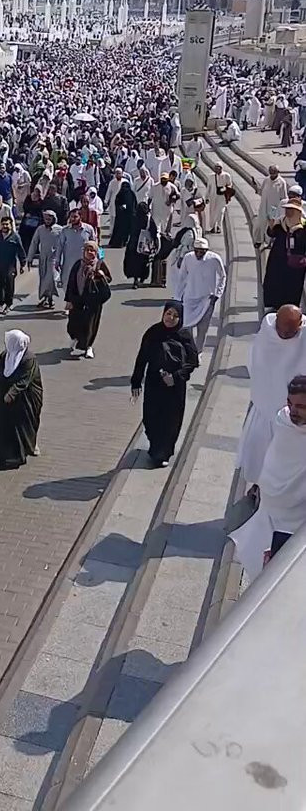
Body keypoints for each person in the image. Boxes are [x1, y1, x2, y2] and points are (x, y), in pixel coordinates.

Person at [231, 376, 306, 582]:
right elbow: (276, 460)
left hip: (297, 522)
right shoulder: (283, 420)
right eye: (290, 403)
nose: (293, 411)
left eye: (301, 406)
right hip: (270, 510)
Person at [237, 305, 306, 495]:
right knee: (258, 453)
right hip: (264, 408)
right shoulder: (268, 328)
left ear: (300, 325)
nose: (283, 335)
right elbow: (255, 360)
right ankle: (258, 487)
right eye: (281, 329)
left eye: (290, 332)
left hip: (292, 415)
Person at [130, 301, 199, 467]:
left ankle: (163, 453)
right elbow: (142, 357)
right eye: (168, 313)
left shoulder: (184, 335)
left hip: (174, 387)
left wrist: (176, 376)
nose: (170, 318)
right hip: (154, 383)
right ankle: (155, 447)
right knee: (151, 418)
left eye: (175, 316)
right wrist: (136, 381)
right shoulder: (153, 332)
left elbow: (193, 361)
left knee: (171, 420)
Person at [0, 330, 44, 470]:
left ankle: (18, 457)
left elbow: (24, 380)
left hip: (23, 403)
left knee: (20, 429)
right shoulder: (5, 356)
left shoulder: (29, 359)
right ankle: (0, 458)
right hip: (2, 402)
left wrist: (12, 393)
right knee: (1, 428)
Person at [65, 240, 111, 360]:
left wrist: (101, 275)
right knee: (73, 322)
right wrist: (68, 300)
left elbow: (109, 278)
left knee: (90, 325)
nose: (90, 252)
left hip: (94, 301)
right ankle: (75, 338)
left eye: (93, 250)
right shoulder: (78, 264)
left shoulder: (99, 264)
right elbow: (71, 282)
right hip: (77, 299)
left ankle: (88, 347)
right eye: (88, 250)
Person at [179, 238, 227, 352]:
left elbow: (222, 276)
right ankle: (189, 351)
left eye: (202, 251)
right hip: (190, 299)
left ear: (206, 251)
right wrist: (178, 295)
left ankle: (198, 352)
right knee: (186, 328)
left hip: (206, 300)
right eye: (197, 251)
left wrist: (217, 294)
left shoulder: (214, 259)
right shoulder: (188, 257)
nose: (199, 254)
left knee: (202, 329)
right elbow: (182, 277)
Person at [262, 197, 306, 310]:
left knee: (293, 286)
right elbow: (271, 234)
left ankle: (290, 309)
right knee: (275, 281)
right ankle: (275, 306)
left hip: (295, 264)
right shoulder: (280, 222)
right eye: (287, 209)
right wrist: (271, 227)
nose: (288, 212)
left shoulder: (303, 226)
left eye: (291, 210)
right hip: (278, 258)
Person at [0, 216, 26, 315]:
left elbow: (21, 251)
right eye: (3, 224)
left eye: (7, 224)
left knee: (9, 285)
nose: (5, 226)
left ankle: (8, 304)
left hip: (10, 266)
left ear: (11, 225)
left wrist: (22, 264)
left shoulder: (15, 237)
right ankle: (1, 303)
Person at [57, 208, 97, 295]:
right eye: (71, 217)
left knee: (83, 285)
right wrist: (57, 261)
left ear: (80, 217)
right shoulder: (65, 230)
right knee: (67, 284)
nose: (72, 219)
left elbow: (96, 246)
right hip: (69, 264)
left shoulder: (88, 229)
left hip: (84, 263)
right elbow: (59, 246)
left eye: (75, 217)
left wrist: (99, 259)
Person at [26, 210, 61, 309]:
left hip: (54, 258)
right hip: (43, 257)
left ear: (53, 219)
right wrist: (30, 258)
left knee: (51, 278)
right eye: (46, 219)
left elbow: (64, 244)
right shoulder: (40, 229)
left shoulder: (59, 230)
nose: (47, 221)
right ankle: (46, 298)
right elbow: (34, 243)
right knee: (43, 279)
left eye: (49, 219)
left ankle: (50, 298)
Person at [123, 201, 158, 289]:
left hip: (133, 244)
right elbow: (154, 231)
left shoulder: (134, 218)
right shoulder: (149, 220)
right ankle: (142, 279)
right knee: (144, 262)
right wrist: (154, 243)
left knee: (133, 262)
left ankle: (135, 280)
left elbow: (127, 229)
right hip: (144, 245)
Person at [254, 165, 288, 246]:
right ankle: (258, 241)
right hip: (263, 206)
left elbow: (284, 197)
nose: (272, 174)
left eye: (273, 172)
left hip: (274, 208)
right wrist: (256, 186)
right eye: (270, 172)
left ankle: (268, 243)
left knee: (270, 226)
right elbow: (261, 192)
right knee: (259, 224)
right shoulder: (266, 180)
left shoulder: (281, 182)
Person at [108, 177, 137, 248]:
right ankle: (118, 243)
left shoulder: (130, 194)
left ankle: (124, 242)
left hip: (127, 215)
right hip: (122, 216)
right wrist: (123, 207)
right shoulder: (121, 194)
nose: (125, 189)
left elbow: (133, 204)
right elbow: (117, 203)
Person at [208, 163, 233, 234]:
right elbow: (209, 187)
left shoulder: (226, 175)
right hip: (213, 196)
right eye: (216, 168)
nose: (217, 169)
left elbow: (230, 185)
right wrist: (206, 197)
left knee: (221, 212)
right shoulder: (211, 176)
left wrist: (225, 189)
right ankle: (213, 227)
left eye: (219, 168)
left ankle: (219, 226)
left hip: (222, 197)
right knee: (213, 212)